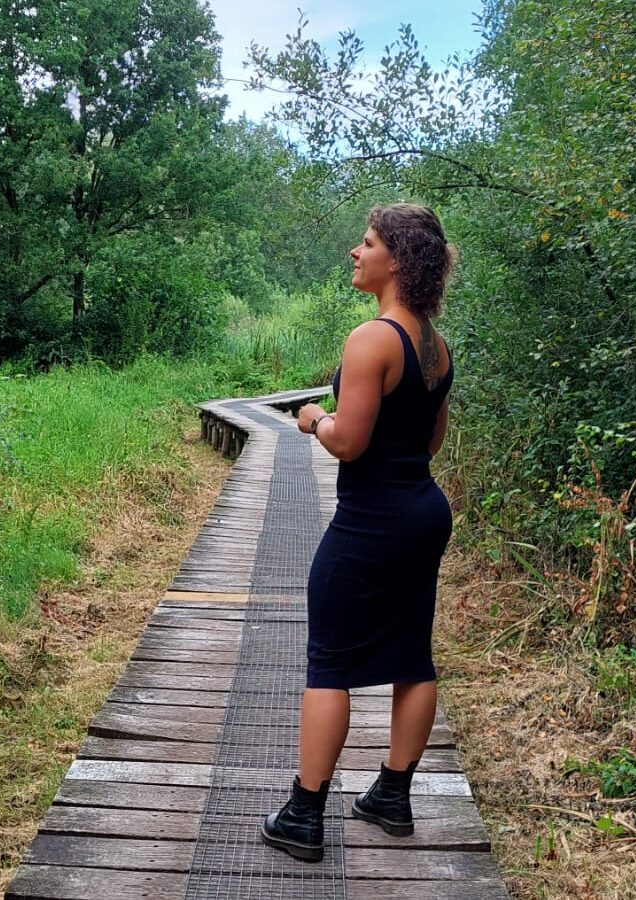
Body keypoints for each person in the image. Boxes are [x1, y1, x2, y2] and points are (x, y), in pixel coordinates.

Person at [260, 202, 456, 862]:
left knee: (330, 662)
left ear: (396, 261)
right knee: (412, 656)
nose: (355, 251)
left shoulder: (372, 339)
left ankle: (303, 815)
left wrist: (314, 418)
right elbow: (430, 442)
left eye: (367, 242)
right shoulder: (435, 345)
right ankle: (392, 797)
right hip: (422, 513)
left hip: (370, 521)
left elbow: (349, 442)